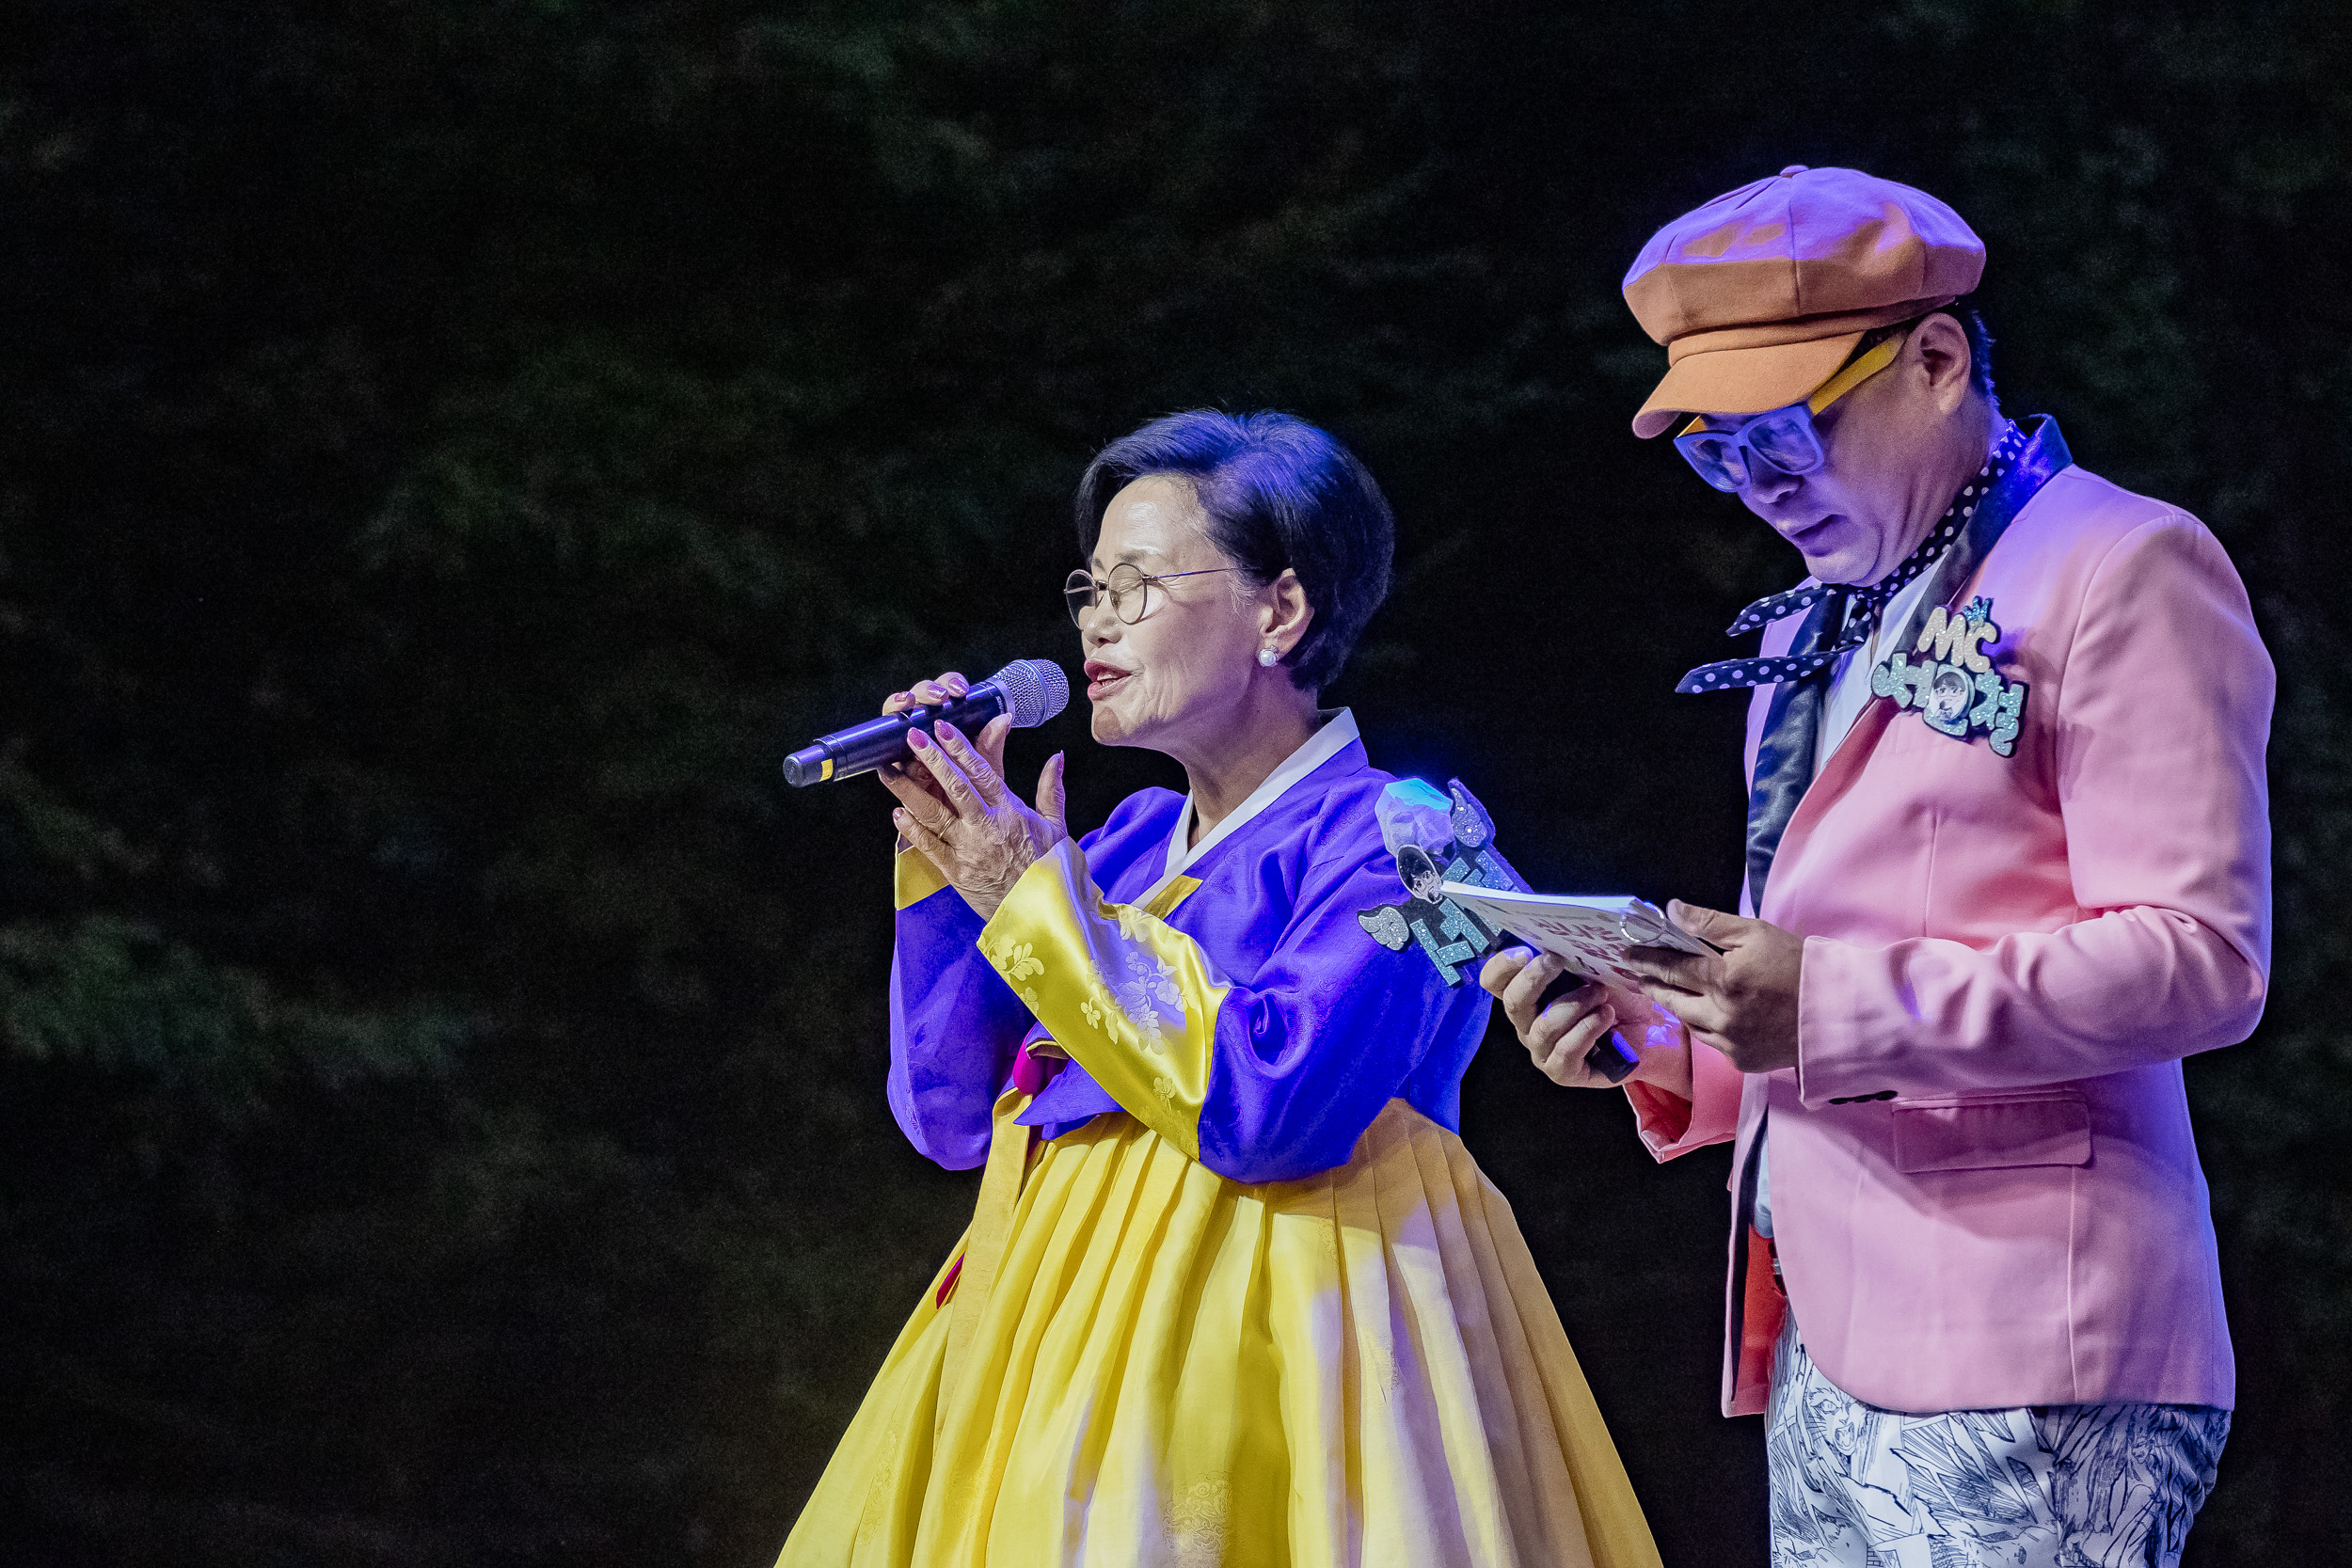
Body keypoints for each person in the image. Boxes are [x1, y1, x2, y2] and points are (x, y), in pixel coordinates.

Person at [1482, 166, 2270, 1567]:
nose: (1759, 484)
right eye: (1716, 450)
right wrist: (1661, 1034)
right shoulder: (1813, 629)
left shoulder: (2120, 564)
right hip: (1825, 1339)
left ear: (1936, 357)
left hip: (2036, 1340)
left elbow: (2200, 956)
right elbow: (1828, 976)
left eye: (1784, 430)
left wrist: (1831, 1003)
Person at [779, 410, 1660, 1568]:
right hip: (1059, 1329)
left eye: (1137, 584)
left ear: (1279, 612)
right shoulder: (1128, 845)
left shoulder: (1406, 833)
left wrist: (1034, 894)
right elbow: (950, 1115)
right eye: (1089, 584)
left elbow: (1270, 1103)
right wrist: (954, 868)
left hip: (1285, 1339)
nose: (1094, 618)